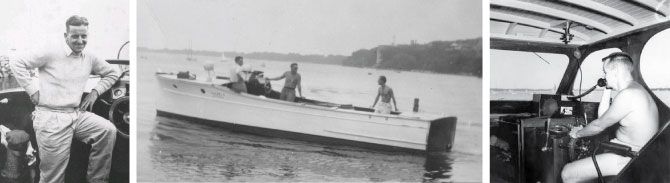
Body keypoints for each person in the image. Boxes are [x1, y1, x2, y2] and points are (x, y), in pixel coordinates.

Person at [10, 15, 120, 183]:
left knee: (107, 131)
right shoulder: (51, 50)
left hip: (76, 114)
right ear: (65, 36)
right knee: (52, 177)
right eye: (75, 36)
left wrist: (95, 92)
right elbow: (17, 62)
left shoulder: (89, 56)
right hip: (50, 117)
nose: (80, 41)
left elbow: (113, 72)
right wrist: (32, 90)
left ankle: (96, 180)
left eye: (84, 36)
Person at [561, 52, 659, 183]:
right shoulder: (635, 89)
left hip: (631, 156)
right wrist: (607, 88)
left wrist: (577, 134)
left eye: (605, 72)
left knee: (567, 172)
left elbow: (598, 125)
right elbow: (602, 117)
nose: (604, 76)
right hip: (633, 151)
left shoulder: (628, 95)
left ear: (616, 72)